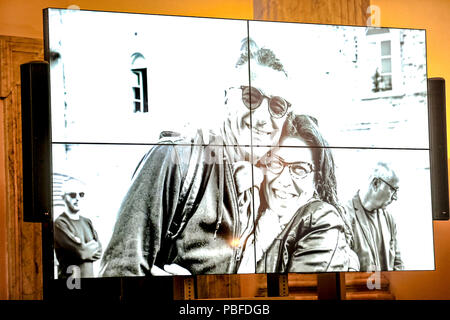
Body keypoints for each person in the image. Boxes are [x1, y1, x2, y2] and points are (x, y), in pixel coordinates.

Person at [100, 38, 293, 276]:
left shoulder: (261, 190)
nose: (264, 117)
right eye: (251, 97)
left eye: (277, 107)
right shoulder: (176, 159)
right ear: (227, 98)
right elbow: (119, 272)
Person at [238, 113, 359, 273]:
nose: (284, 180)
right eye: (275, 163)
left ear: (317, 179)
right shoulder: (252, 217)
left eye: (299, 169)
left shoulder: (323, 221)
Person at [344, 161, 404, 271]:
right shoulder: (344, 216)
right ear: (376, 184)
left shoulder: (389, 219)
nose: (395, 197)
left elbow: (398, 263)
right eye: (393, 190)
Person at [54, 178, 102, 278]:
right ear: (63, 197)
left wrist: (82, 247)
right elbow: (81, 252)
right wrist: (85, 249)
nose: (77, 198)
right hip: (70, 285)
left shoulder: (87, 222)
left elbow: (99, 251)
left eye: (81, 194)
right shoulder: (60, 223)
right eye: (72, 195)